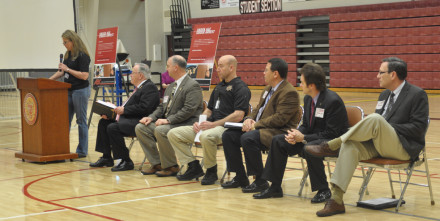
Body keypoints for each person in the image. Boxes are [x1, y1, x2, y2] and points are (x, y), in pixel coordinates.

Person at [305, 57, 429, 217]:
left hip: (403, 147)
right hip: (378, 144)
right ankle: (336, 200)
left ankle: (333, 144)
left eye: (380, 72)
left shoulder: (417, 94)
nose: (377, 76)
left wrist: (386, 127)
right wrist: (379, 128)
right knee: (350, 146)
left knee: (376, 120)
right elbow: (376, 126)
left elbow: (418, 128)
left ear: (393, 74)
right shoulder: (384, 95)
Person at [252, 63, 349, 202]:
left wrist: (303, 138)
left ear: (312, 85)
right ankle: (275, 187)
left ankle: (324, 190)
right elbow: (307, 125)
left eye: (302, 82)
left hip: (333, 141)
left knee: (310, 148)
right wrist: (295, 133)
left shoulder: (332, 101)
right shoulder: (309, 98)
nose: (299, 85)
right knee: (279, 140)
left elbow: (332, 133)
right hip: (312, 139)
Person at [167, 55, 251, 185]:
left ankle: (211, 171)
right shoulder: (218, 87)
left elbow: (238, 115)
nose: (218, 69)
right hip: (210, 125)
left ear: (231, 67)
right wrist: (200, 122)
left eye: (221, 66)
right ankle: (193, 166)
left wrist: (213, 124)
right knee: (173, 133)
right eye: (218, 66)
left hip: (226, 128)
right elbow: (209, 110)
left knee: (207, 136)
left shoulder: (241, 87)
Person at [221, 58, 301, 192]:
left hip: (277, 132)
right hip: (261, 128)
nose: (263, 73)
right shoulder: (268, 88)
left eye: (266, 70)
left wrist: (255, 125)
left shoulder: (289, 92)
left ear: (275, 73)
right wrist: (248, 119)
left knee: (248, 138)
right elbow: (257, 109)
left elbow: (279, 119)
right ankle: (240, 177)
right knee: (228, 136)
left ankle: (260, 181)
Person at [135, 55, 204, 177]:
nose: (166, 69)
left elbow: (188, 110)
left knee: (161, 130)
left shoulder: (192, 85)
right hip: (171, 122)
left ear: (176, 67)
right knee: (141, 127)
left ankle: (171, 166)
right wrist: (151, 117)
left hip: (186, 123)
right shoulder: (171, 86)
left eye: (168, 66)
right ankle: (157, 164)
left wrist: (168, 120)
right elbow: (162, 107)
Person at [89, 63, 160, 171]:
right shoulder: (140, 87)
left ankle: (126, 160)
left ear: (140, 75)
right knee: (104, 122)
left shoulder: (149, 87)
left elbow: (145, 108)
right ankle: (107, 157)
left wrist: (124, 110)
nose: (130, 75)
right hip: (130, 118)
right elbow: (130, 106)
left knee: (113, 128)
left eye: (133, 73)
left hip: (141, 121)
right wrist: (112, 112)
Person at [50, 30, 91, 158]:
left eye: (65, 42)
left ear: (72, 41)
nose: (64, 45)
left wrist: (68, 69)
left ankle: (82, 151)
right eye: (63, 43)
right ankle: (62, 147)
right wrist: (47, 81)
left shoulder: (83, 56)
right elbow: (62, 72)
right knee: (65, 120)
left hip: (80, 90)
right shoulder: (68, 54)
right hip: (68, 90)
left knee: (81, 121)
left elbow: (84, 76)